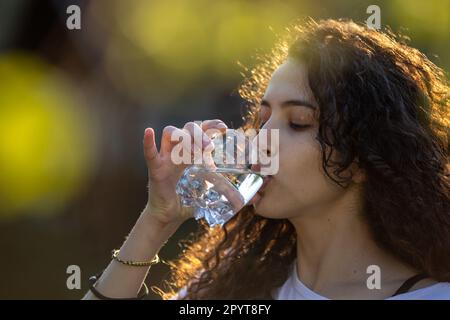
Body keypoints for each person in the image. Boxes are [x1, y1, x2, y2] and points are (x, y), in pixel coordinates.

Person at [84, 19, 450, 300]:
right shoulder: (232, 289)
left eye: (297, 123)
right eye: (261, 120)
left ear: (362, 159)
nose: (261, 141)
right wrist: (156, 221)